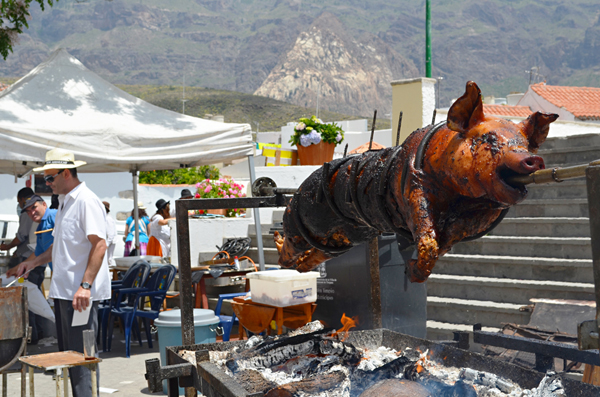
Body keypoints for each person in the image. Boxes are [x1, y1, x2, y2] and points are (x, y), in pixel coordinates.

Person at [14, 148, 109, 397]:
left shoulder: (86, 201)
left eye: (50, 178)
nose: (47, 183)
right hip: (66, 295)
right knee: (72, 360)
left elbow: (100, 244)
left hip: (80, 298)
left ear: (66, 173)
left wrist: (85, 286)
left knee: (83, 362)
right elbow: (59, 246)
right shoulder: (66, 203)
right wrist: (32, 263)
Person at [8, 194, 57, 344]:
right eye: (28, 211)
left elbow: (52, 250)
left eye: (34, 208)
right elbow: (38, 251)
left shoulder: (56, 217)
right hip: (59, 278)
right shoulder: (41, 226)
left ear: (44, 204)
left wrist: (30, 265)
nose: (32, 213)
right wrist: (18, 267)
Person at [0, 187, 35, 270]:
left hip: (29, 257)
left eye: (18, 201)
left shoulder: (27, 213)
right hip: (34, 256)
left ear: (22, 199)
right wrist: (18, 250)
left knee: (25, 282)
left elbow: (21, 236)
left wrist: (8, 247)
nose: (19, 205)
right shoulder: (37, 212)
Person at [102, 201, 117, 267]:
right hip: (108, 241)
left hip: (110, 242)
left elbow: (111, 234)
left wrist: (106, 244)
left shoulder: (108, 219)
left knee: (109, 259)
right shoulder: (106, 218)